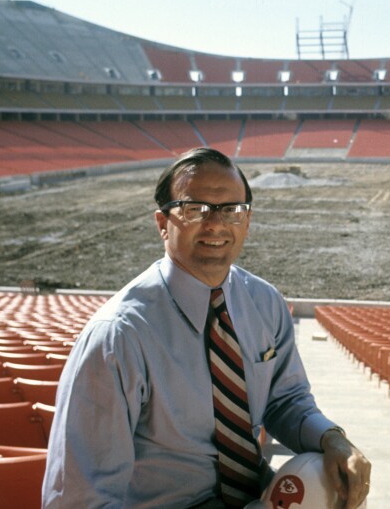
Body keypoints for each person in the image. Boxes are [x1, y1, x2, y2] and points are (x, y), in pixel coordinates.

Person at [43, 147, 370, 508]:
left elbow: (285, 400)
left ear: (247, 221)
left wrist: (331, 438)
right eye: (194, 209)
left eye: (231, 210)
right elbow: (81, 499)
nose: (215, 224)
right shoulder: (117, 337)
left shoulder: (265, 303)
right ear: (162, 224)